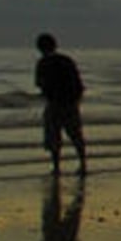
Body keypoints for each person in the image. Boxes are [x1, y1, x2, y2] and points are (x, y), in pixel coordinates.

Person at [33, 32, 88, 174]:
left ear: (39, 48)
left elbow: (39, 83)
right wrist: (76, 99)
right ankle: (83, 164)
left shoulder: (43, 63)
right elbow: (78, 83)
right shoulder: (66, 60)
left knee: (54, 137)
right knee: (75, 135)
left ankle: (56, 167)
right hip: (70, 103)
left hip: (54, 103)